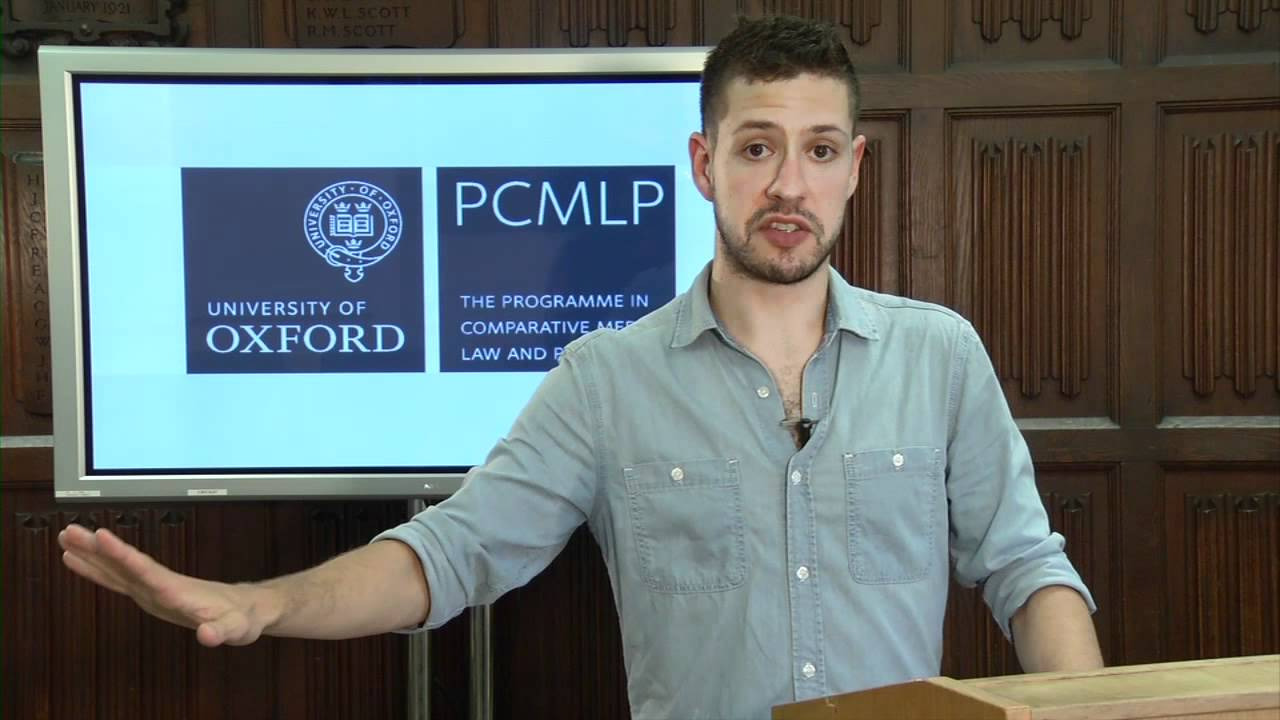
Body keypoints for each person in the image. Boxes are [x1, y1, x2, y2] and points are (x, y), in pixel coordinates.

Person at [58, 14, 1104, 719]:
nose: (790, 184)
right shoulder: (606, 380)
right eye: (756, 147)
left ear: (854, 168)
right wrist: (260, 604)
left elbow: (1027, 570)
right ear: (703, 163)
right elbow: (452, 553)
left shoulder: (938, 355)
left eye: (820, 150)